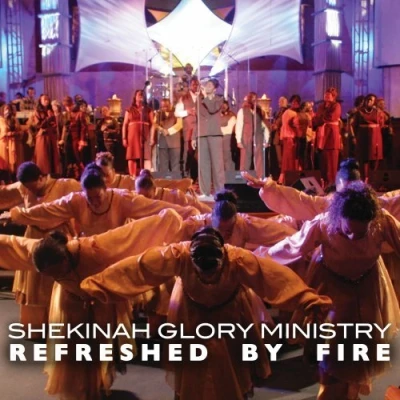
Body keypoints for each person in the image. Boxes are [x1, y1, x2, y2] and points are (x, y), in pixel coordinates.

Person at [81, 226, 332, 400]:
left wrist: (308, 300)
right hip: (191, 320)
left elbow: (275, 279)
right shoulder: (178, 255)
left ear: (222, 257)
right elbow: (138, 269)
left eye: (212, 271)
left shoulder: (239, 260)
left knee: (231, 375)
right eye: (202, 270)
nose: (208, 276)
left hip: (230, 321)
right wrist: (98, 285)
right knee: (193, 375)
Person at [0, 209, 185, 400]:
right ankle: (79, 388)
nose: (56, 277)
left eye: (58, 272)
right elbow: (11, 243)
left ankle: (95, 384)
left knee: (98, 346)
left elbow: (132, 234)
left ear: (65, 259)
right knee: (72, 347)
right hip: (69, 302)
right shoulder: (39, 250)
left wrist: (170, 221)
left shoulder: (94, 248)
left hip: (99, 302)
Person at [264, 182, 400, 400]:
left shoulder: (382, 222)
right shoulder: (324, 224)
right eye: (348, 231)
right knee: (333, 349)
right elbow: (291, 247)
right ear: (339, 219)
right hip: (332, 288)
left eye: (361, 233)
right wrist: (258, 260)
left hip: (367, 287)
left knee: (363, 345)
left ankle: (351, 394)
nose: (353, 237)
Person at [1, 165, 199, 237]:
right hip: (89, 252)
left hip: (115, 251)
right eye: (90, 198)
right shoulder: (76, 200)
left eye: (98, 197)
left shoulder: (121, 198)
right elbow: (47, 210)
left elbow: (154, 206)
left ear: (106, 189)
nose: (94, 202)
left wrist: (187, 212)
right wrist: (18, 214)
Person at [0, 161, 81, 333]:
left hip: (58, 238)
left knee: (58, 283)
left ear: (41, 178)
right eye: (28, 188)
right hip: (34, 236)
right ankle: (36, 327)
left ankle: (61, 327)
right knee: (34, 285)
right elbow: (4, 194)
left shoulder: (67, 185)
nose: (32, 191)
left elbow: (83, 203)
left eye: (34, 187)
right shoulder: (23, 187)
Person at [180, 189, 297, 247]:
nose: (223, 235)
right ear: (212, 218)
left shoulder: (242, 224)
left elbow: (277, 232)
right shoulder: (195, 225)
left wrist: (301, 240)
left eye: (229, 231)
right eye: (219, 230)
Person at [192, 79, 225, 200]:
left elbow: (212, 109)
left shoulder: (218, 100)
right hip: (202, 135)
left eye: (210, 85)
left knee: (217, 165)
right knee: (203, 165)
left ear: (215, 89)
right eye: (206, 85)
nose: (207, 87)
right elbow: (197, 120)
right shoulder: (199, 100)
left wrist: (205, 96)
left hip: (215, 135)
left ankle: (219, 192)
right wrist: (194, 136)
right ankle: (205, 192)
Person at [135, 169, 211, 213]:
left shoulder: (175, 196)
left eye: (148, 196)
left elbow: (199, 207)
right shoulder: (135, 200)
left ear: (154, 189)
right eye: (141, 197)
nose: (144, 200)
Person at [236, 92, 269, 178]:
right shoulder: (242, 111)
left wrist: (266, 139)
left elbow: (264, 126)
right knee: (245, 159)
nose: (254, 100)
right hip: (246, 138)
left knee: (259, 159)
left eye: (255, 99)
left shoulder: (259, 112)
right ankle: (243, 178)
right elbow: (239, 126)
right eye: (252, 98)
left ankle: (259, 178)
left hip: (258, 138)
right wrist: (238, 140)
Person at [313, 87, 342, 186]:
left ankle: (332, 183)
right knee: (323, 161)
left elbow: (331, 117)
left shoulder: (336, 105)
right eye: (325, 95)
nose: (326, 96)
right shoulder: (321, 106)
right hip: (322, 135)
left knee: (332, 162)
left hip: (331, 135)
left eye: (329, 95)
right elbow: (316, 118)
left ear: (333, 96)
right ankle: (324, 182)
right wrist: (318, 119)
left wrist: (320, 119)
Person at [352, 93, 384, 181]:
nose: (369, 101)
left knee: (374, 159)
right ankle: (364, 181)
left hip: (375, 138)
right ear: (365, 101)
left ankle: (373, 181)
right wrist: (355, 137)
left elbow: (381, 124)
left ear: (374, 102)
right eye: (368, 99)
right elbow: (354, 125)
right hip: (363, 138)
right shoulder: (359, 112)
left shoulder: (378, 112)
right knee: (363, 159)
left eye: (372, 100)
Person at [122, 89, 154, 176]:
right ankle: (133, 177)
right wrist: (124, 138)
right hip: (132, 136)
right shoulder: (129, 109)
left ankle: (146, 176)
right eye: (139, 94)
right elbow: (125, 124)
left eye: (142, 95)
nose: (141, 96)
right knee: (132, 156)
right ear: (135, 97)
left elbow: (153, 124)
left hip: (145, 136)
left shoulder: (148, 110)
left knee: (146, 156)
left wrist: (151, 137)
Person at [174, 76, 200, 178]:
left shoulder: (203, 97)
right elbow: (176, 113)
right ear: (190, 86)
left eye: (197, 84)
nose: (195, 86)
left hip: (201, 129)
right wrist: (187, 112)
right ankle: (186, 175)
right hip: (189, 129)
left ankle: (198, 176)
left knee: (200, 153)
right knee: (188, 152)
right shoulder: (183, 98)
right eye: (193, 84)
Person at [31, 94, 61, 175]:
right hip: (42, 137)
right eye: (44, 99)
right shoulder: (37, 112)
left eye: (48, 99)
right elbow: (39, 125)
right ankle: (43, 174)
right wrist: (48, 119)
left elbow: (54, 123)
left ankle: (53, 174)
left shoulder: (50, 111)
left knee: (52, 157)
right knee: (43, 157)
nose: (46, 101)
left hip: (51, 136)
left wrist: (53, 124)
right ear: (40, 101)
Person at [152, 98, 182, 173]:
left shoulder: (176, 112)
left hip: (174, 142)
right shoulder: (159, 114)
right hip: (163, 142)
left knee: (175, 165)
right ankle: (164, 179)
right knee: (163, 165)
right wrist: (162, 129)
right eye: (162, 106)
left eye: (166, 106)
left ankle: (175, 179)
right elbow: (155, 124)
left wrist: (169, 131)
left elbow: (180, 124)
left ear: (170, 105)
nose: (164, 108)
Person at [61, 95, 88, 177]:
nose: (68, 108)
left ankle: (83, 175)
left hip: (76, 139)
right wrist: (62, 139)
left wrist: (82, 140)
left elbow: (83, 128)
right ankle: (71, 174)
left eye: (69, 106)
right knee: (68, 158)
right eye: (66, 106)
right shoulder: (66, 114)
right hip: (68, 139)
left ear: (72, 104)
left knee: (78, 158)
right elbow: (64, 127)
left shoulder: (79, 114)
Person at [278, 94, 301, 184]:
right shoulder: (292, 113)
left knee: (287, 159)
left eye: (297, 102)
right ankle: (289, 178)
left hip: (287, 138)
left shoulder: (288, 112)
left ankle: (285, 178)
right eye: (293, 102)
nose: (295, 104)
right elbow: (295, 126)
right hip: (290, 138)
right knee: (289, 160)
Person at [0, 102, 24, 177]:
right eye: (6, 109)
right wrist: (6, 134)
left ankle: (16, 177)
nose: (8, 111)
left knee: (16, 162)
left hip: (15, 143)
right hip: (5, 144)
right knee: (6, 164)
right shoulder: (1, 120)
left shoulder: (15, 119)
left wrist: (17, 133)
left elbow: (20, 131)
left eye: (9, 109)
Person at [376, 97, 394, 169]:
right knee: (382, 150)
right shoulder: (376, 113)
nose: (383, 105)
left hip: (387, 134)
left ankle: (388, 167)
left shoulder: (386, 113)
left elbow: (389, 123)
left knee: (389, 150)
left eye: (383, 103)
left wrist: (390, 129)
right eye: (381, 104)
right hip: (381, 133)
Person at [220, 100, 236, 172]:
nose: (223, 107)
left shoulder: (231, 115)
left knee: (227, 158)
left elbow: (227, 126)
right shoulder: (218, 115)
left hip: (227, 137)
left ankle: (229, 175)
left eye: (224, 105)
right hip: (221, 138)